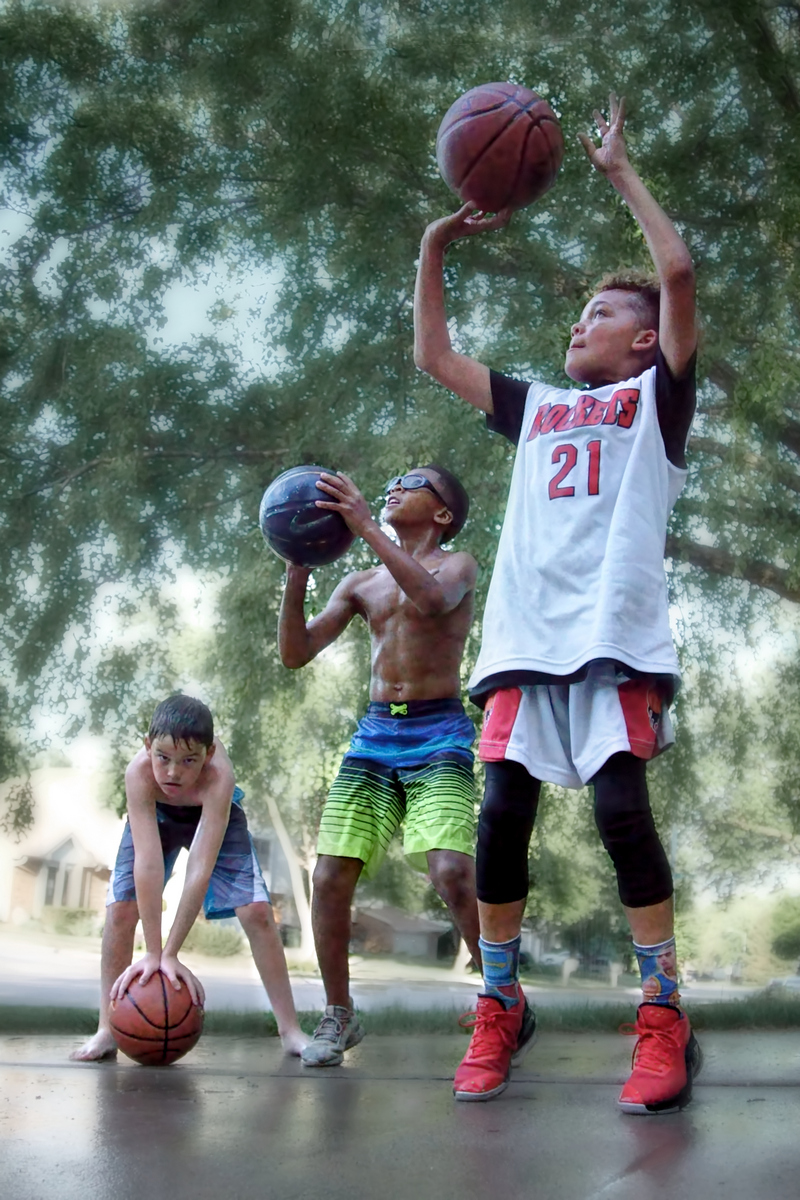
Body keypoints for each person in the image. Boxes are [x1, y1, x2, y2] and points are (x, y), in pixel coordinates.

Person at [413, 94, 700, 1114]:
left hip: (613, 642)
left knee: (622, 812)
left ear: (640, 345)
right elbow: (434, 356)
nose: (583, 320)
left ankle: (661, 1013)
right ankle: (498, 1003)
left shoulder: (650, 402)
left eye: (604, 314)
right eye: (580, 313)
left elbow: (672, 275)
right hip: (525, 646)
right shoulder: (536, 409)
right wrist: (435, 245)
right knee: (499, 824)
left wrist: (618, 171)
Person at [279, 465, 495, 1068]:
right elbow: (296, 653)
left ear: (444, 513)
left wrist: (366, 524)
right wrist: (297, 573)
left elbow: (430, 601)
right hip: (376, 735)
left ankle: (501, 997)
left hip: (439, 731)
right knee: (328, 878)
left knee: (452, 871)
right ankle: (339, 1014)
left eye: (414, 481)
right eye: (393, 481)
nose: (395, 486)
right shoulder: (361, 581)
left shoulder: (458, 565)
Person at [70, 694, 308, 1061]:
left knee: (257, 913)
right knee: (120, 910)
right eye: (162, 757)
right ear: (148, 746)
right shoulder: (139, 774)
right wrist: (152, 953)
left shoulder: (219, 777)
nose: (172, 772)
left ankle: (291, 1031)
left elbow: (200, 866)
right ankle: (107, 1029)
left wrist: (172, 953)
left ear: (208, 755)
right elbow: (147, 862)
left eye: (188, 761)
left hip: (212, 817)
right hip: (158, 818)